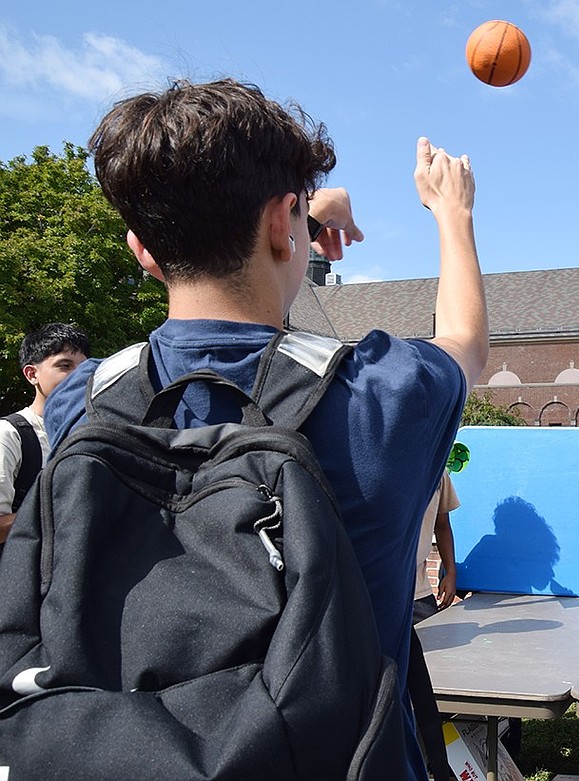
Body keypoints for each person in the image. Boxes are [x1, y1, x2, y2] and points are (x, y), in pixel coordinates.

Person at [43, 79, 488, 781]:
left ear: (141, 251)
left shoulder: (82, 400)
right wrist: (451, 212)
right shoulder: (379, 396)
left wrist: (292, 215)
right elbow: (463, 340)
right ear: (284, 224)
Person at [0, 323, 90, 550]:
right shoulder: (11, 434)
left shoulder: (91, 434)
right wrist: (58, 512)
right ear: (32, 374)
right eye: (64, 365)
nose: (79, 375)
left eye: (85, 367)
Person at [412, 471, 460, 624]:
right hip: (372, 592)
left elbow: (442, 524)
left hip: (418, 592)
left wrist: (450, 572)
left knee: (433, 643)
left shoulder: (437, 471)